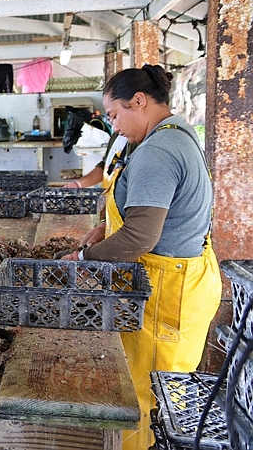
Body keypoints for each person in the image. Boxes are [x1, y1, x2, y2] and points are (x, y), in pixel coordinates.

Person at [59, 65, 221, 450]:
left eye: (114, 114)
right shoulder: (176, 135)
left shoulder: (158, 151)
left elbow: (140, 236)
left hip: (168, 292)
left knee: (145, 397)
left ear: (139, 101)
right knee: (164, 391)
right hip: (180, 280)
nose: (113, 126)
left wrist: (83, 257)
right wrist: (105, 230)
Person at [63, 132, 137, 189]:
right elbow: (104, 167)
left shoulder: (138, 141)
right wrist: (77, 184)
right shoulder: (116, 136)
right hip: (110, 202)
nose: (114, 126)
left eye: (115, 116)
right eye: (110, 118)